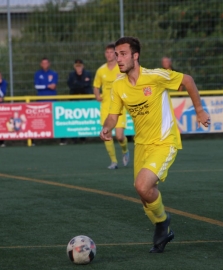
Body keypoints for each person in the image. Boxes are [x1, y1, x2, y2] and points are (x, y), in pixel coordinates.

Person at [100, 37, 210, 253]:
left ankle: (162, 223)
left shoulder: (155, 76)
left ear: (135, 56)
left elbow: (187, 80)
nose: (118, 58)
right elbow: (113, 116)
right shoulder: (118, 85)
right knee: (144, 194)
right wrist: (106, 127)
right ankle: (163, 226)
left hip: (164, 141)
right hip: (141, 144)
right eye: (116, 54)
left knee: (142, 185)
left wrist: (199, 110)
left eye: (122, 54)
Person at [93, 44, 130, 169]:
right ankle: (114, 162)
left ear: (115, 54)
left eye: (111, 52)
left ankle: (125, 150)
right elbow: (96, 85)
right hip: (106, 108)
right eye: (107, 52)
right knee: (106, 134)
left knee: (119, 136)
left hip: (119, 107)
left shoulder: (121, 68)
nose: (109, 54)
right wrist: (97, 95)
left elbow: (130, 82)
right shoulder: (101, 70)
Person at [66, 59, 93, 144]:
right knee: (74, 119)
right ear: (74, 67)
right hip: (74, 99)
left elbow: (87, 85)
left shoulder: (87, 74)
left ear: (83, 66)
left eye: (80, 65)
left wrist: (77, 85)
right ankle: (74, 138)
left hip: (85, 99)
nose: (78, 67)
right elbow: (71, 86)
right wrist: (80, 85)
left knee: (85, 119)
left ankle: (83, 138)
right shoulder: (71, 75)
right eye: (77, 66)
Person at [34, 57, 58, 145]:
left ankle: (61, 139)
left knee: (54, 119)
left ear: (49, 64)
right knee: (39, 119)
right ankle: (35, 140)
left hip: (52, 99)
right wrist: (47, 86)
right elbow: (37, 86)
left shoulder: (53, 73)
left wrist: (44, 86)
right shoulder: (37, 74)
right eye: (43, 63)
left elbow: (54, 86)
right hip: (41, 100)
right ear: (41, 64)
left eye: (46, 63)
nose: (45, 65)